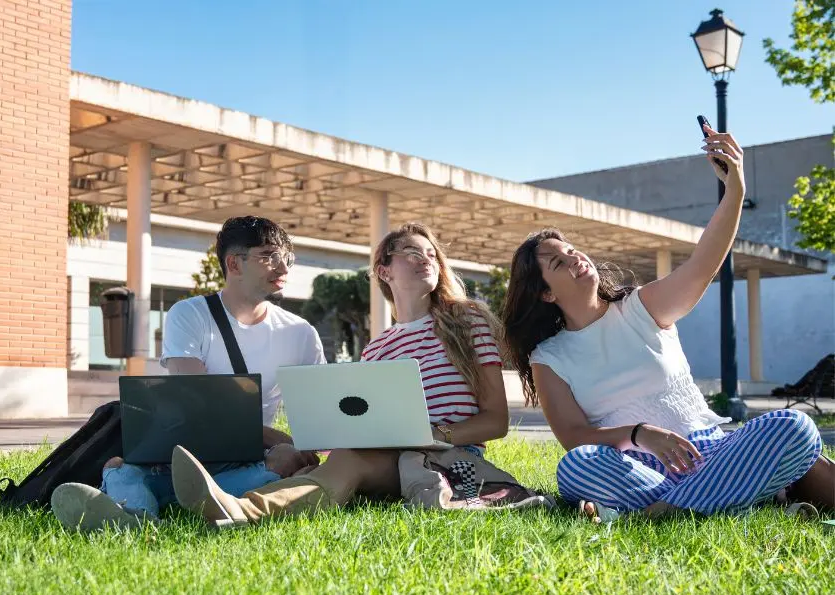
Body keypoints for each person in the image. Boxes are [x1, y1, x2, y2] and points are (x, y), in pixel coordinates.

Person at [501, 125, 830, 522]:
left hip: (708, 452)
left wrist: (735, 192)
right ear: (545, 294)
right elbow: (574, 437)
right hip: (638, 466)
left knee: (793, 426)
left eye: (571, 250)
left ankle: (666, 511)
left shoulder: (640, 308)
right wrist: (639, 434)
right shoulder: (548, 357)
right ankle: (735, 498)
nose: (575, 258)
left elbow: (702, 264)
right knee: (577, 467)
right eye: (559, 263)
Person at [169, 222, 516, 527]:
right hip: (392, 458)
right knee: (332, 461)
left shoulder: (468, 322)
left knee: (345, 462)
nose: (425, 259)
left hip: (456, 460)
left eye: (431, 253)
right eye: (411, 252)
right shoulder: (377, 349)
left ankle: (242, 508)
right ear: (384, 271)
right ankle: (220, 499)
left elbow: (496, 421)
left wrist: (434, 433)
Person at [51, 216, 325, 531]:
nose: (283, 268)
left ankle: (142, 508)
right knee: (120, 467)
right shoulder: (190, 315)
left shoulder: (300, 332)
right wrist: (277, 436)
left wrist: (302, 447)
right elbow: (199, 401)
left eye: (285, 258)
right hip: (187, 453)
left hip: (252, 459)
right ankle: (143, 519)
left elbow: (317, 413)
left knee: (287, 458)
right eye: (268, 257)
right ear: (234, 264)